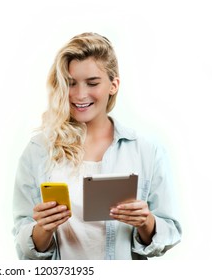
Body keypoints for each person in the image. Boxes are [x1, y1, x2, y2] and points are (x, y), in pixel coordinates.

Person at [12, 32, 181, 260]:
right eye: (71, 84)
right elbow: (24, 245)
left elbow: (170, 231)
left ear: (113, 85)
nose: (80, 95)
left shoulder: (145, 151)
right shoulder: (39, 149)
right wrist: (43, 229)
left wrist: (146, 222)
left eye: (92, 83)